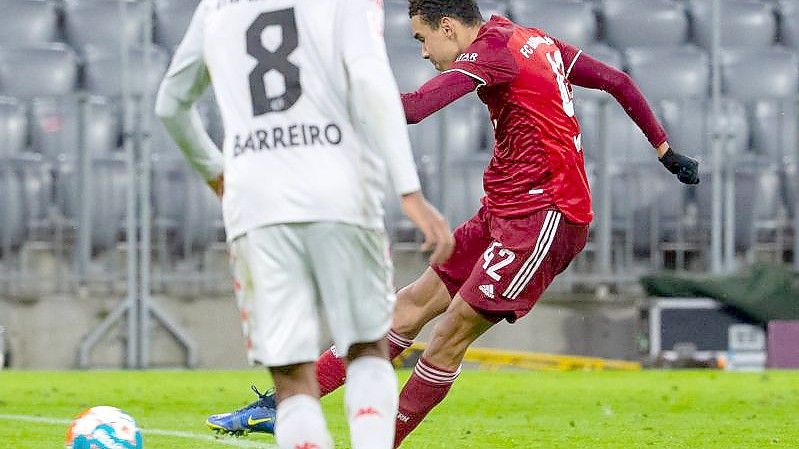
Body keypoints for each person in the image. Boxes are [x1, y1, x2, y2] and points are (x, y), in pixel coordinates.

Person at [206, 0, 700, 447]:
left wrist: (328, 102)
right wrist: (664, 149)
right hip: (503, 212)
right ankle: (284, 405)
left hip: (546, 216)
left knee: (448, 336)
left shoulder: (491, 52)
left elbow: (418, 108)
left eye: (422, 39)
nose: (424, 52)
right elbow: (617, 81)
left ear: (447, 26)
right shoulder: (533, 40)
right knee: (405, 308)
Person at [155, 0, 455, 448]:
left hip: (257, 204)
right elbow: (371, 80)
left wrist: (217, 172)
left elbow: (171, 106)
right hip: (341, 192)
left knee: (292, 377)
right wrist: (408, 189)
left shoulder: (214, 8)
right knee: (367, 348)